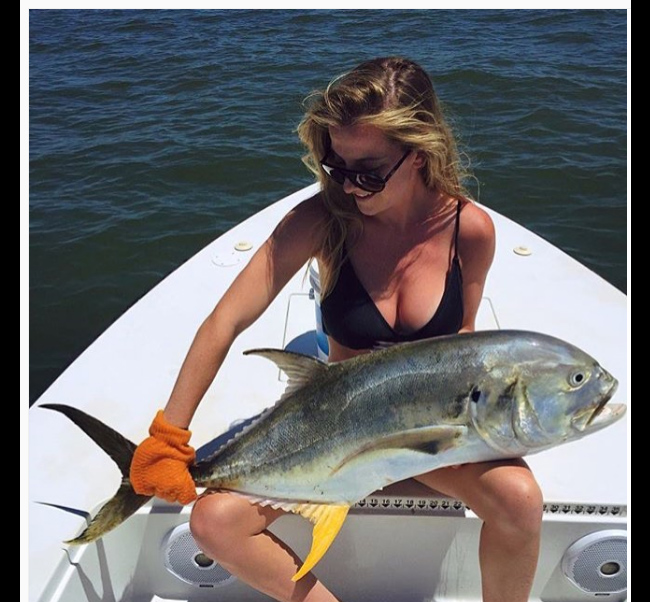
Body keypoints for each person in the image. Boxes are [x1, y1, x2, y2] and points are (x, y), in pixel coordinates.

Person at [129, 57, 543, 602]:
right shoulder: (323, 221)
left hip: (425, 438)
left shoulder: (469, 231)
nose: (348, 186)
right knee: (213, 522)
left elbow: (460, 347)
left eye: (368, 171)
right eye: (334, 166)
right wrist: (169, 436)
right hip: (335, 434)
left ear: (419, 153)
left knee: (520, 499)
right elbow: (226, 320)